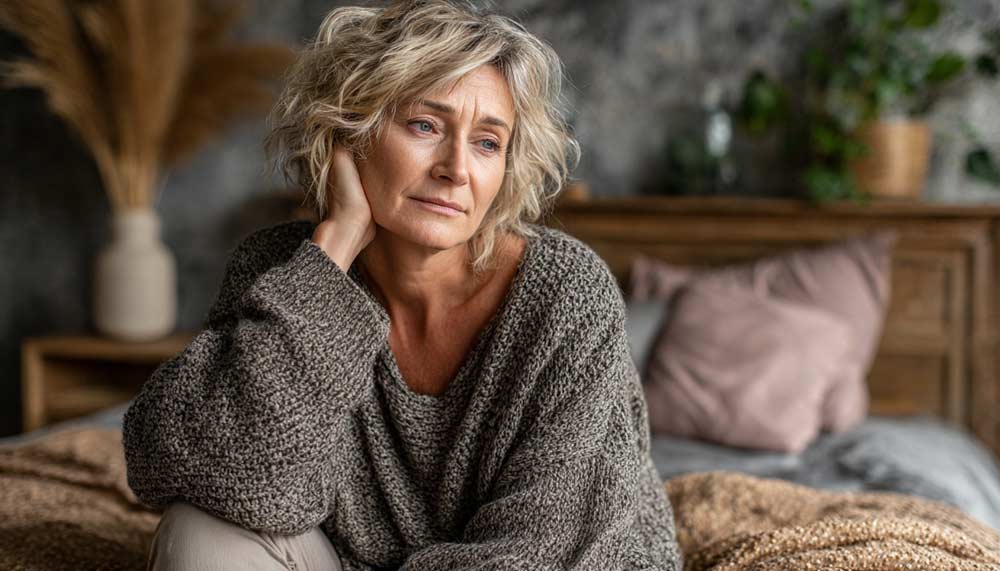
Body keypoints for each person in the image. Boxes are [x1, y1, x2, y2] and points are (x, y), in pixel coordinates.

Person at [122, 0, 682, 569]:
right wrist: (334, 249)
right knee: (201, 528)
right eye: (425, 125)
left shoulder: (566, 292)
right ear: (349, 130)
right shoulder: (283, 269)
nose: (456, 168)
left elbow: (541, 549)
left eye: (488, 142)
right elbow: (187, 467)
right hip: (343, 557)